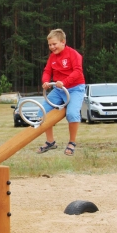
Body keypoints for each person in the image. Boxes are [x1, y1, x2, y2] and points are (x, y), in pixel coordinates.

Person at [36, 28, 86, 156]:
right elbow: (47, 71)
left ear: (63, 42)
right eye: (50, 45)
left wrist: (65, 82)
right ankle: (50, 142)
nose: (52, 47)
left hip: (75, 88)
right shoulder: (52, 57)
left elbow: (78, 71)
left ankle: (72, 142)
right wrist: (46, 82)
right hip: (59, 90)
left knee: (72, 113)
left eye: (54, 44)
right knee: (42, 112)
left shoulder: (73, 54)